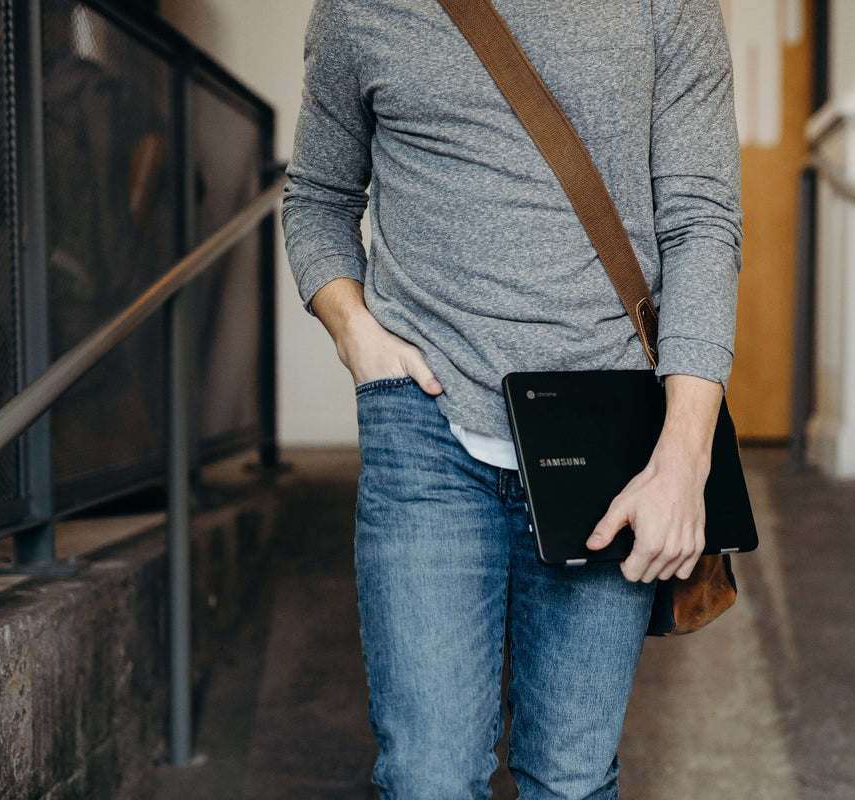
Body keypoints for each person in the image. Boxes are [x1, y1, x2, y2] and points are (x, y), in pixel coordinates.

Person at [282, 1, 742, 797]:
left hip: (610, 438)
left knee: (570, 779)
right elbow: (316, 197)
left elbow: (701, 223)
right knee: (427, 779)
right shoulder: (360, 8)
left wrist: (682, 460)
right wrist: (357, 336)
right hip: (425, 424)